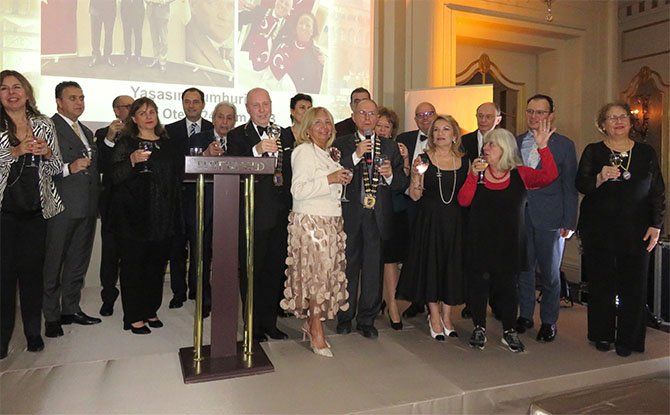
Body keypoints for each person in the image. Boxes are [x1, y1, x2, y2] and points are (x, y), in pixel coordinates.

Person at [576, 101, 665, 357]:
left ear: (630, 121)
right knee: (601, 282)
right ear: (602, 125)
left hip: (637, 228)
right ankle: (601, 334)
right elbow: (581, 184)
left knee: (634, 285)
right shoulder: (594, 151)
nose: (618, 121)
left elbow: (657, 191)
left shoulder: (646, 152)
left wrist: (656, 225)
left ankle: (629, 339)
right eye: (612, 118)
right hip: (598, 228)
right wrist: (599, 177)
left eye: (623, 116)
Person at [457, 126, 557, 353]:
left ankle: (509, 330)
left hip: (510, 241)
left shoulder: (520, 174)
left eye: (491, 144)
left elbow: (549, 176)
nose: (486, 148)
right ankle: (479, 327)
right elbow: (463, 201)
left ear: (505, 148)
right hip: (480, 239)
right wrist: (472, 175)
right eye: (486, 144)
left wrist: (543, 147)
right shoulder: (478, 173)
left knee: (509, 288)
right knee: (479, 286)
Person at [0, 70, 64, 359]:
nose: (11, 93)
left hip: (35, 213)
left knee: (32, 277)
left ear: (27, 92)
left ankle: (33, 333)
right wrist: (14, 152)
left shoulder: (44, 124)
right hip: (4, 214)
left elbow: (56, 167)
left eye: (17, 87)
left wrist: (48, 154)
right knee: (4, 279)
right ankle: (2, 339)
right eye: (4, 89)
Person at [332, 99, 408, 339]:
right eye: (362, 113)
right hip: (351, 215)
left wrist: (390, 175)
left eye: (372, 114)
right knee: (348, 268)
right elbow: (334, 172)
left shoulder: (390, 147)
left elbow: (401, 183)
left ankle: (367, 319)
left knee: (374, 270)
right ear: (353, 117)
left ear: (377, 118)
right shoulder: (341, 143)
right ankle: (345, 316)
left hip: (377, 216)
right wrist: (355, 156)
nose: (367, 118)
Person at [280, 106, 352, 357]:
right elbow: (298, 190)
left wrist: (338, 180)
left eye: (328, 122)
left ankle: (312, 323)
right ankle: (315, 329)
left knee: (326, 275)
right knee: (316, 278)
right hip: (312, 223)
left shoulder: (328, 154)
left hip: (331, 221)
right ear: (307, 128)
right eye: (318, 122)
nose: (324, 127)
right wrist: (331, 180)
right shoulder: (303, 151)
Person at [109, 97, 183, 334]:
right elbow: (113, 176)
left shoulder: (167, 143)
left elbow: (177, 178)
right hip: (134, 218)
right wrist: (131, 161)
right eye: (142, 113)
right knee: (134, 268)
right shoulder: (127, 142)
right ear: (133, 118)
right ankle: (133, 316)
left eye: (152, 112)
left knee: (156, 267)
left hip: (163, 217)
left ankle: (150, 309)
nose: (148, 116)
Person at [228, 87, 294, 342]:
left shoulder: (284, 134)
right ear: (247, 108)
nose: (262, 109)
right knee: (252, 271)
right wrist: (256, 151)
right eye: (256, 105)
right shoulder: (238, 135)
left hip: (281, 212)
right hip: (253, 214)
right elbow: (232, 167)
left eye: (266, 104)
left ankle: (270, 323)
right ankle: (252, 326)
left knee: (275, 270)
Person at [397, 115, 468, 340]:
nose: (440, 133)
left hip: (455, 222)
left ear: (454, 135)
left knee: (451, 267)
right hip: (430, 221)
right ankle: (434, 316)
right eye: (436, 130)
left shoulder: (465, 161)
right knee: (431, 266)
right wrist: (416, 176)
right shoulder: (424, 158)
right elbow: (415, 196)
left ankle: (447, 316)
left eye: (445, 129)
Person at [516, 94, 578, 343]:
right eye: (530, 111)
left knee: (550, 273)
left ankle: (549, 321)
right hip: (521, 216)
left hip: (551, 216)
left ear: (551, 115)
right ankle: (525, 315)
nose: (534, 116)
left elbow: (569, 186)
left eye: (540, 112)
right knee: (524, 269)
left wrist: (569, 221)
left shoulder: (564, 145)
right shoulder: (516, 141)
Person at [43, 81, 101, 339]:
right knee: (53, 264)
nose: (79, 102)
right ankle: (51, 316)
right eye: (72, 98)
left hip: (87, 206)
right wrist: (69, 168)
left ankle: (71, 309)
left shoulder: (86, 131)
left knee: (78, 262)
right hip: (61, 207)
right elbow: (41, 168)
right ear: (59, 102)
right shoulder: (49, 128)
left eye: (81, 97)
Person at [165, 88, 214, 311]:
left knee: (200, 249)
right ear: (182, 104)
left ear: (203, 104)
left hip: (204, 198)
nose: (191, 105)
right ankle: (178, 292)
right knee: (176, 248)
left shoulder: (213, 129)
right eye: (187, 101)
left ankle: (198, 289)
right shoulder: (169, 130)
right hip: (177, 198)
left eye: (195, 101)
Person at [460, 101, 503, 319]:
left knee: (496, 258)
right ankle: (472, 302)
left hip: (496, 209)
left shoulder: (505, 142)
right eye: (480, 116)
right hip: (469, 207)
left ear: (498, 119)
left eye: (488, 116)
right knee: (472, 258)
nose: (483, 120)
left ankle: (496, 302)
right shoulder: (463, 141)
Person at [395, 101, 438, 318]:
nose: (425, 118)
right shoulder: (404, 139)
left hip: (436, 204)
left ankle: (435, 302)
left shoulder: (444, 139)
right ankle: (417, 300)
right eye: (420, 115)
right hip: (410, 203)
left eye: (429, 113)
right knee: (414, 252)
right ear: (415, 119)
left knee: (435, 253)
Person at [94, 95, 133, 317]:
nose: (130, 109)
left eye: (133, 106)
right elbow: (101, 166)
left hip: (136, 204)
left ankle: (132, 299)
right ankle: (108, 297)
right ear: (116, 110)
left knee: (132, 256)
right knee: (109, 255)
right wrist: (110, 138)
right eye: (126, 107)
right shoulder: (103, 134)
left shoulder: (143, 133)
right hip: (111, 204)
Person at [375, 106, 409, 330]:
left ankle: (393, 306)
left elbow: (403, 182)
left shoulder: (398, 149)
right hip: (369, 211)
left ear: (392, 130)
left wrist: (405, 161)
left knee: (390, 260)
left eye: (386, 126)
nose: (381, 130)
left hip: (394, 211)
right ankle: (376, 302)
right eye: (378, 125)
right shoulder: (362, 147)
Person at [269, 12, 324, 93]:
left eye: (308, 25)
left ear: (313, 31)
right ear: (296, 26)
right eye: (301, 23)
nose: (303, 27)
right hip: (271, 87)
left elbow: (315, 87)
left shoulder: (317, 56)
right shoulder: (283, 41)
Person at [185, 0, 235, 75]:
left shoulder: (226, 49)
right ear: (193, 5)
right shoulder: (187, 52)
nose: (224, 16)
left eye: (231, 5)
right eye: (213, 3)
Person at [146, 0, 176, 73]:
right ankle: (156, 59)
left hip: (162, 13)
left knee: (163, 40)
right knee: (154, 39)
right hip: (151, 12)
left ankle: (162, 62)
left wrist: (165, 1)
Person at [88, 0, 117, 68]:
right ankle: (96, 56)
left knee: (109, 34)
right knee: (95, 34)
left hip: (110, 8)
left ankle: (107, 56)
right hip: (95, 7)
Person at [120, 0, 145, 64]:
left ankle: (138, 55)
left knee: (138, 35)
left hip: (138, 9)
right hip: (126, 9)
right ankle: (127, 54)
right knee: (126, 34)